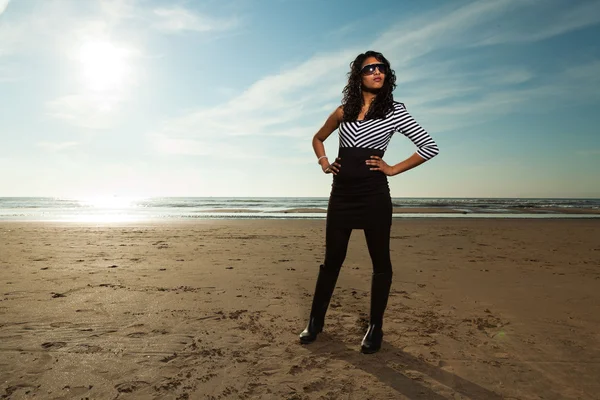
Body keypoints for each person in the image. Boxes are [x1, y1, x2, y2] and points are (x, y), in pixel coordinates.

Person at [299, 51, 440, 354]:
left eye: (382, 68)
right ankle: (315, 320)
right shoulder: (343, 111)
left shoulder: (395, 110)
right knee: (332, 261)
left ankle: (375, 327)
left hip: (374, 196)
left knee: (380, 262)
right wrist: (324, 162)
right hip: (341, 196)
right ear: (358, 75)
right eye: (370, 68)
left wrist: (392, 169)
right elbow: (318, 138)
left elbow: (429, 146)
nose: (377, 72)